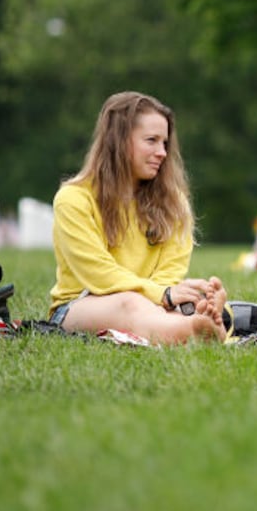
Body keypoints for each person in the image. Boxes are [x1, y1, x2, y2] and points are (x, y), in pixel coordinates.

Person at [48, 91, 229, 344]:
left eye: (164, 143)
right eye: (152, 140)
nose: (162, 152)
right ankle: (194, 328)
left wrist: (171, 296)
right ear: (119, 141)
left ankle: (198, 322)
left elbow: (170, 273)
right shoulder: (73, 199)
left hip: (152, 304)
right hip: (80, 304)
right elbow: (99, 275)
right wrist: (163, 295)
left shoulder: (174, 202)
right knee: (131, 303)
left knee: (166, 304)